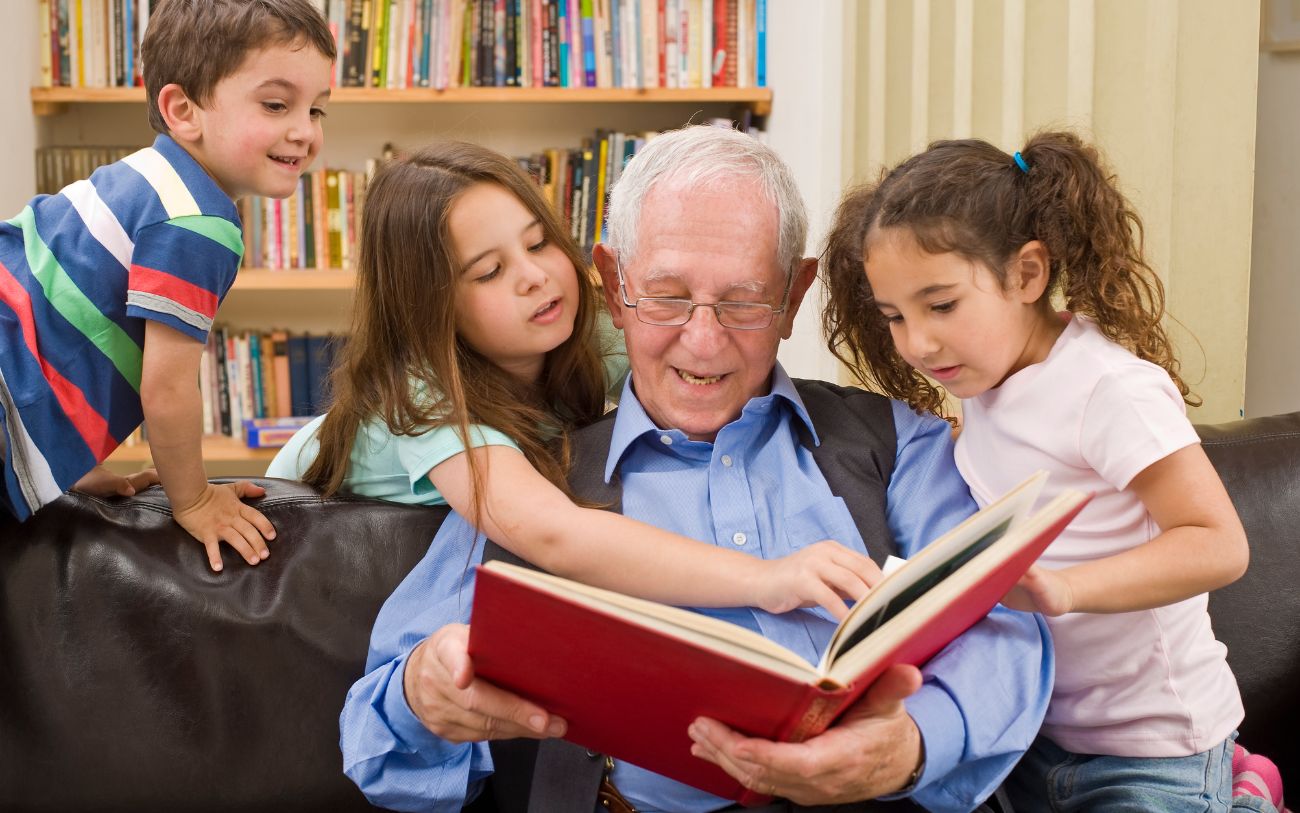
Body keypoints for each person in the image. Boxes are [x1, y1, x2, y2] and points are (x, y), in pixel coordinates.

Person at [338, 126, 1052, 813]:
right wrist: (420, 692)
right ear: (615, 285)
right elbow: (374, 744)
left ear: (794, 298)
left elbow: (1003, 621)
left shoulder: (897, 441)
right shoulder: (526, 482)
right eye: (669, 297)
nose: (703, 341)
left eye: (743, 302)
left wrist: (913, 743)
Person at [821, 130, 1284, 813]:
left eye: (942, 305)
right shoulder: (984, 383)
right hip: (1036, 739)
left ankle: (1239, 793)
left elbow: (1218, 542)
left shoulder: (1109, 390)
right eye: (895, 316)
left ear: (1028, 275)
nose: (917, 342)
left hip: (1153, 747)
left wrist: (1064, 588)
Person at [268, 140, 881, 622]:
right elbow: (555, 533)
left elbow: (714, 356)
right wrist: (765, 577)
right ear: (431, 309)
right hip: (306, 558)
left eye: (538, 243)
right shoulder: (421, 401)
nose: (535, 277)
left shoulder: (578, 333)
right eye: (489, 271)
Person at [0, 0, 335, 573]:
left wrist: (63, 461)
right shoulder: (198, 222)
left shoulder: (145, 177)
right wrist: (196, 499)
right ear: (182, 110)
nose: (304, 132)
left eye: (318, 110)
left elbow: (53, 311)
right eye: (277, 105)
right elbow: (168, 387)